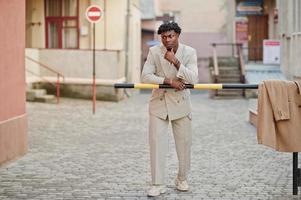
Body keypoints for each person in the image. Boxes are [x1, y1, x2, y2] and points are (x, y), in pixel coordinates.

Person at [141, 22, 198, 197]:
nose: (167, 40)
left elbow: (193, 79)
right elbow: (145, 76)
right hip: (159, 103)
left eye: (171, 36)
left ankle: (182, 178)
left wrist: (176, 62)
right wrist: (169, 81)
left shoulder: (189, 52)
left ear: (178, 35)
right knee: (156, 144)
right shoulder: (154, 52)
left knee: (184, 144)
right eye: (164, 37)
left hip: (181, 104)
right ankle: (157, 183)